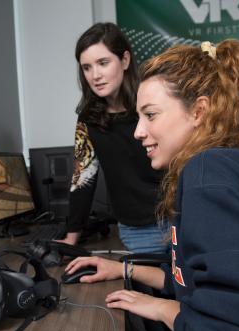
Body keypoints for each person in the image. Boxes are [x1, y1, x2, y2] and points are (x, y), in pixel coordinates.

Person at [65, 39, 239, 331]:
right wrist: (123, 270)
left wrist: (162, 310)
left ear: (198, 111)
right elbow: (199, 282)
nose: (139, 131)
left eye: (151, 115)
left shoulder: (206, 175)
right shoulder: (238, 165)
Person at [58, 22, 167, 254]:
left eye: (103, 63)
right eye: (86, 67)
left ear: (124, 61)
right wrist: (71, 238)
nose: (95, 75)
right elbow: (82, 179)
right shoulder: (88, 120)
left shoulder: (153, 104)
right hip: (135, 229)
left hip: (177, 219)